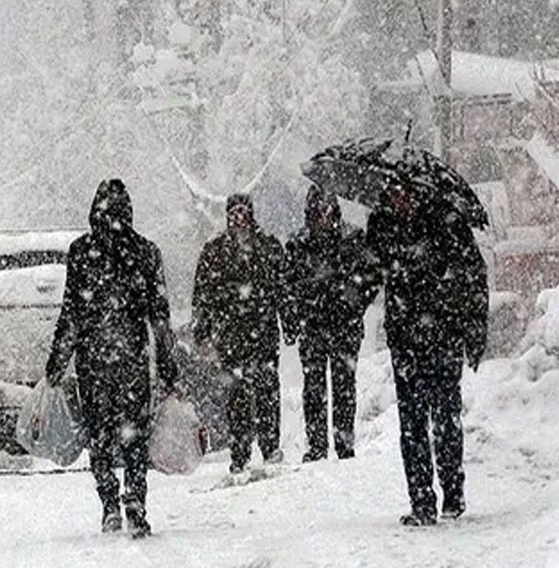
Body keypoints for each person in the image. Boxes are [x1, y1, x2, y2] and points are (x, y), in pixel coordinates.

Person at [46, 179, 178, 539]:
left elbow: (71, 312)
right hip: (132, 361)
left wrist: (58, 361)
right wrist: (168, 365)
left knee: (100, 437)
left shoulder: (82, 252)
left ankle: (109, 506)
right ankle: (135, 503)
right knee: (134, 438)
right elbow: (159, 316)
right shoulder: (146, 252)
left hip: (94, 361)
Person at [366, 182, 488, 526]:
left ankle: (452, 491)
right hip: (405, 340)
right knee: (412, 424)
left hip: (443, 335)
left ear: (417, 193)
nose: (400, 200)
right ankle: (421, 501)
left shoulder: (446, 221)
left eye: (405, 193)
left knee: (446, 418)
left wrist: (474, 331)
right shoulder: (383, 224)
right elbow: (369, 274)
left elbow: (473, 276)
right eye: (393, 194)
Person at [192, 193, 296, 474]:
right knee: (237, 396)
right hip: (230, 334)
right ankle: (239, 453)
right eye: (234, 213)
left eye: (243, 212)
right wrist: (202, 330)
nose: (238, 218)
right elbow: (202, 294)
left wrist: (289, 321)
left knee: (267, 391)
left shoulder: (268, 247)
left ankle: (270, 446)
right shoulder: (215, 251)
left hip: (262, 331)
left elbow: (283, 288)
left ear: (251, 214)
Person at [287, 186, 378, 462]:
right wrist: (300, 312)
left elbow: (370, 278)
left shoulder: (352, 240)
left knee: (344, 388)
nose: (322, 217)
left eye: (326, 210)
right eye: (317, 211)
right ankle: (316, 445)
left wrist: (354, 304)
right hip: (313, 327)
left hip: (344, 326)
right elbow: (288, 285)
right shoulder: (298, 245)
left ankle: (344, 443)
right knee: (314, 388)